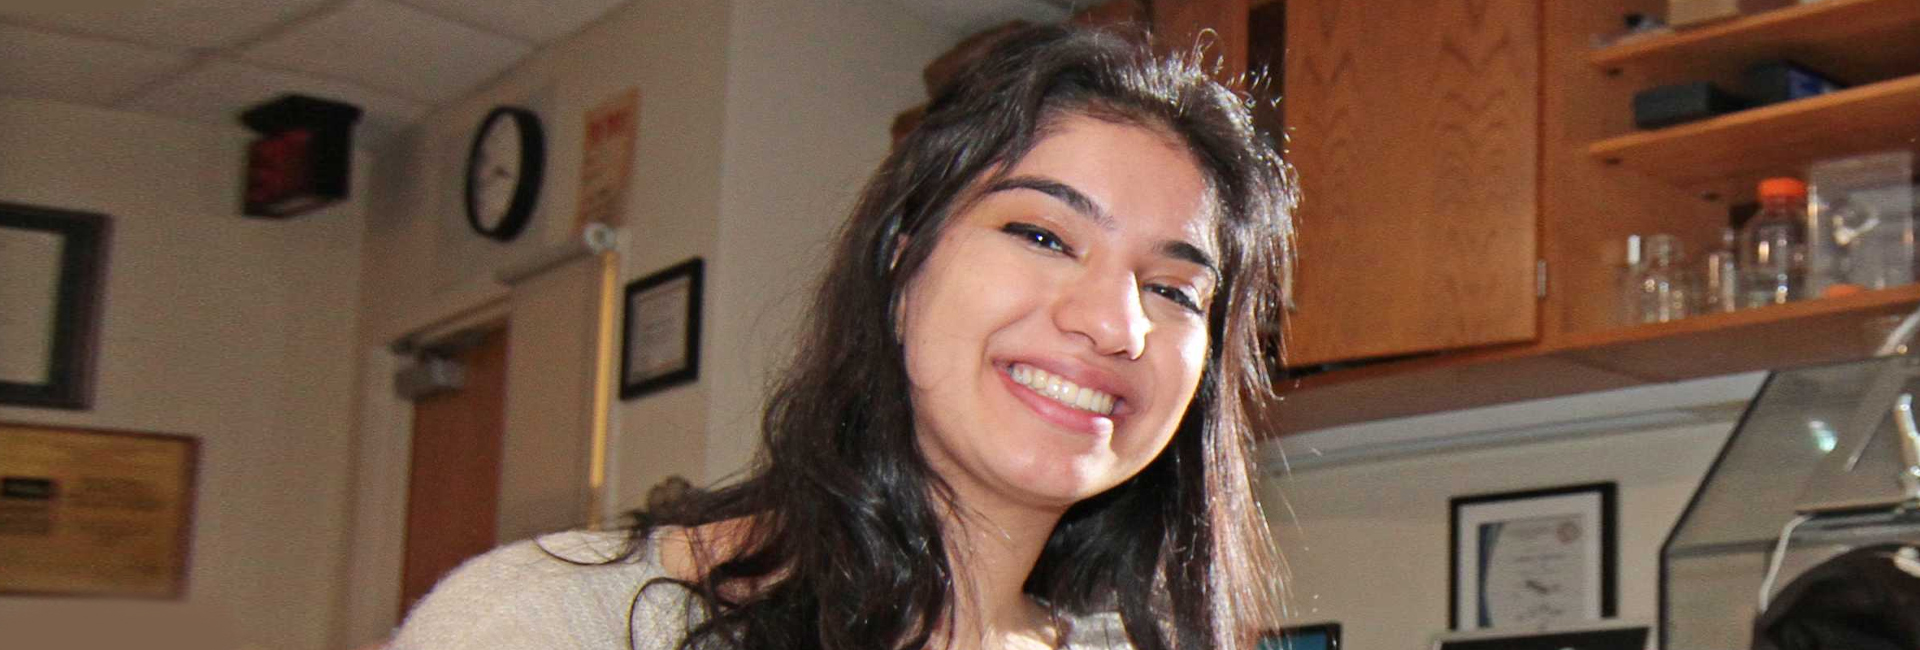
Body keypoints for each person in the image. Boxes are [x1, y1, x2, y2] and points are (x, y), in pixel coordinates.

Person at [391, 22, 1296, 650]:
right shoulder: (557, 621)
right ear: (902, 266)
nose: (1115, 322)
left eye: (1174, 289)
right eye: (1043, 236)